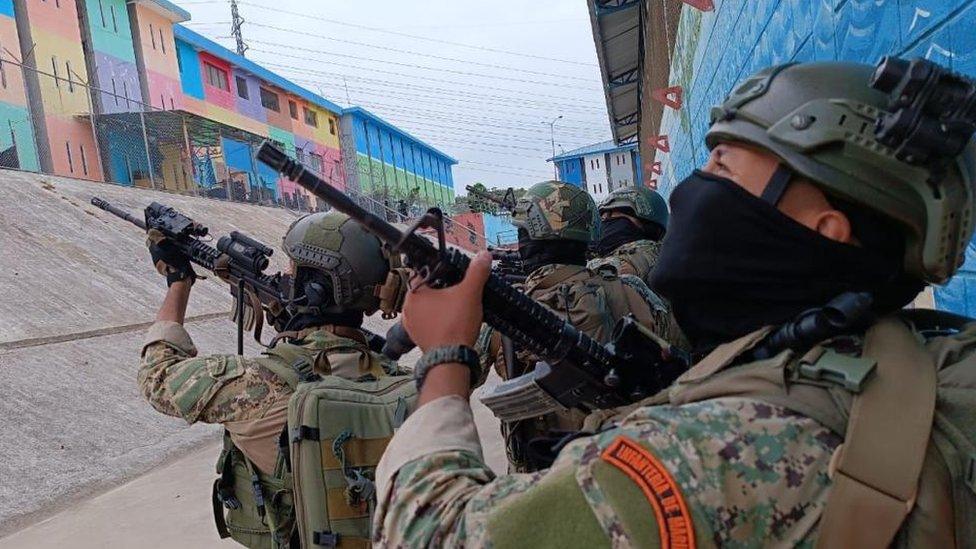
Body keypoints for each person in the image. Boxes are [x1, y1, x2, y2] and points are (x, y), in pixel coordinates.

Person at [372, 60, 976, 546]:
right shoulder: (936, 355)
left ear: (825, 227)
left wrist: (445, 359)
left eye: (722, 166)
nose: (696, 189)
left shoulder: (714, 449)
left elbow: (428, 530)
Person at [138, 211, 400, 546]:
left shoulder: (257, 386)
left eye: (292, 270)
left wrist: (178, 282)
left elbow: (157, 375)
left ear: (314, 289)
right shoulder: (405, 382)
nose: (286, 277)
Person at [476, 180, 676, 472]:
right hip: (633, 464)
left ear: (529, 236)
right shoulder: (633, 292)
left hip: (541, 483)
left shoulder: (506, 311)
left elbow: (449, 379)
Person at [589, 185, 687, 347]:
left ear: (643, 221)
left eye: (612, 213)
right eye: (603, 215)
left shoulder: (647, 252)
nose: (605, 220)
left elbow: (610, 273)